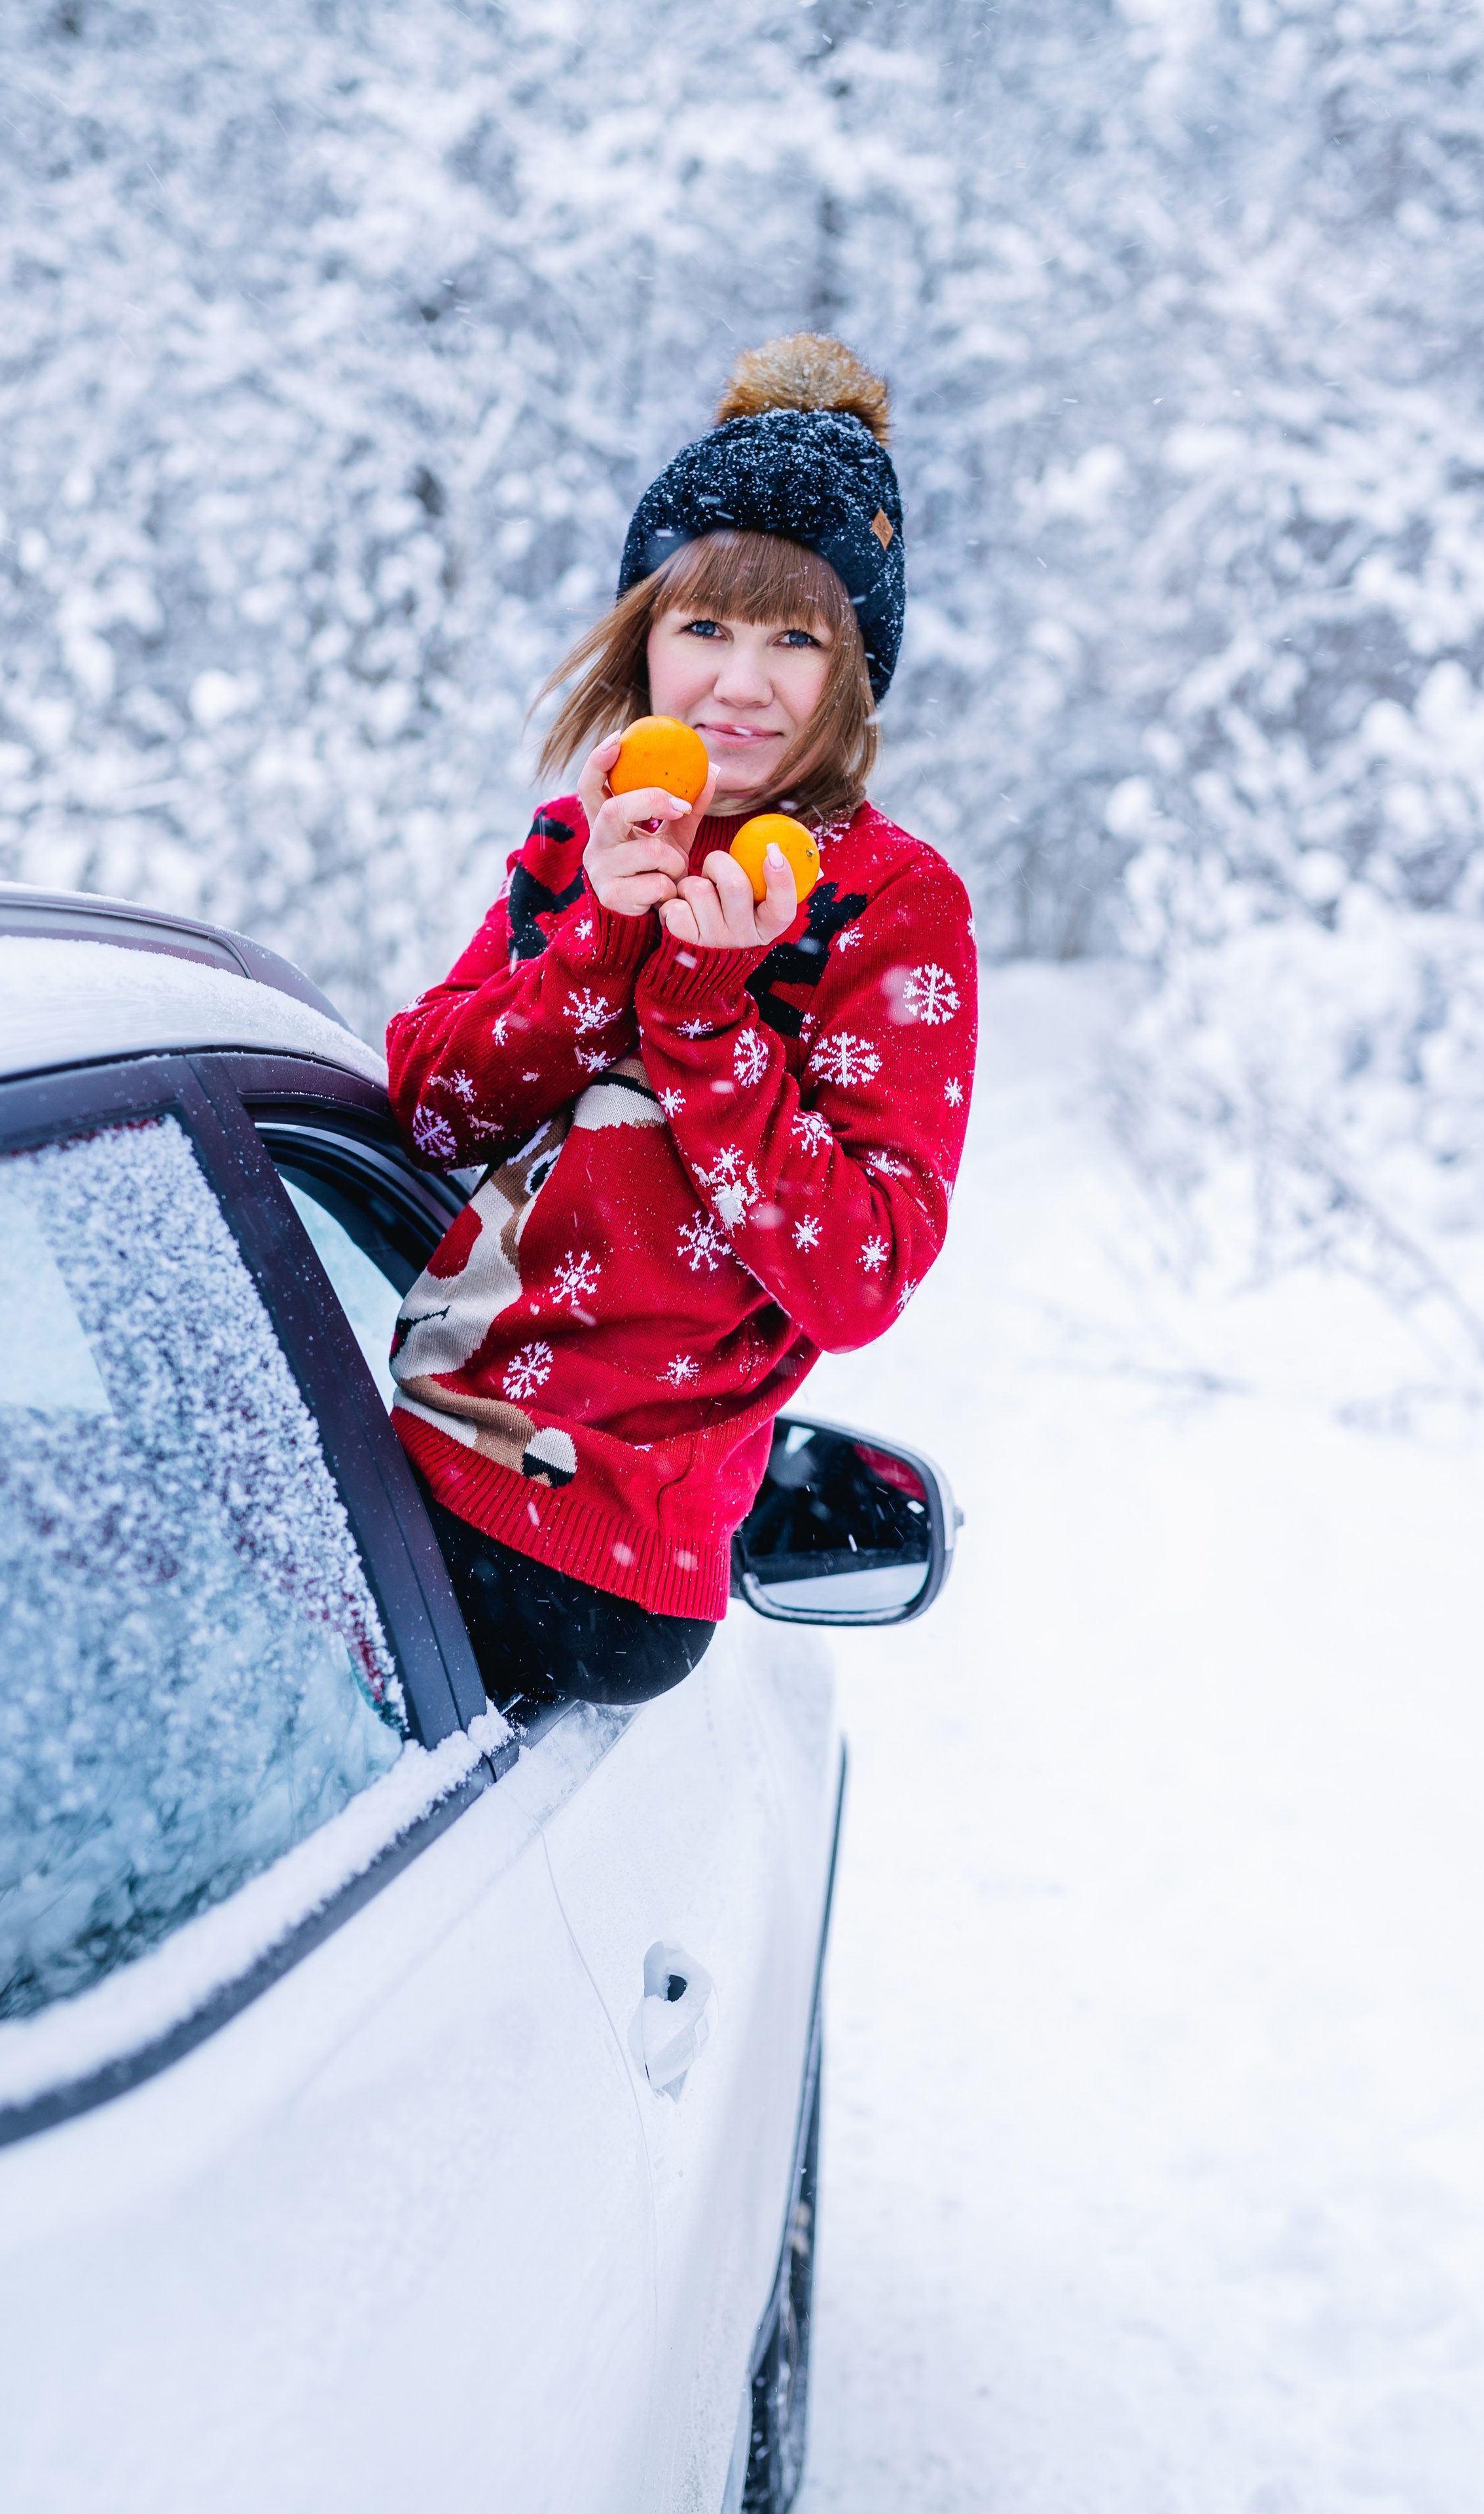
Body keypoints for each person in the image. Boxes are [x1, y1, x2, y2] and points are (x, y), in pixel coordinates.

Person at [384, 334, 977, 1710]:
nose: (739, 684)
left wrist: (707, 1021)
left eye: (795, 637)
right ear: (641, 638)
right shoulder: (580, 840)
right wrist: (596, 936)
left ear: (852, 671)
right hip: (409, 1455)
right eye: (703, 628)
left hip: (597, 1566)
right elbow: (429, 1110)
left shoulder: (890, 903)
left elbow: (860, 1272)